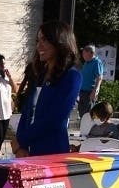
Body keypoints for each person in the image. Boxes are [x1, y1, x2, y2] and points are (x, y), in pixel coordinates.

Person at [15, 22, 82, 156]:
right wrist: (19, 144)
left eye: (44, 40)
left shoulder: (72, 76)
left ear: (60, 42)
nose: (39, 45)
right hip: (26, 152)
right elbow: (27, 111)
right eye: (37, 40)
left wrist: (21, 140)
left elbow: (55, 119)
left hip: (51, 152)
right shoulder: (39, 73)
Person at [77, 44, 104, 117]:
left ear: (90, 53)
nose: (82, 55)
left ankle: (88, 128)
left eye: (84, 53)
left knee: (88, 115)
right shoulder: (86, 62)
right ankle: (83, 128)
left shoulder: (97, 62)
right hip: (82, 92)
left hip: (89, 92)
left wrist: (95, 90)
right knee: (82, 113)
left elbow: (100, 77)